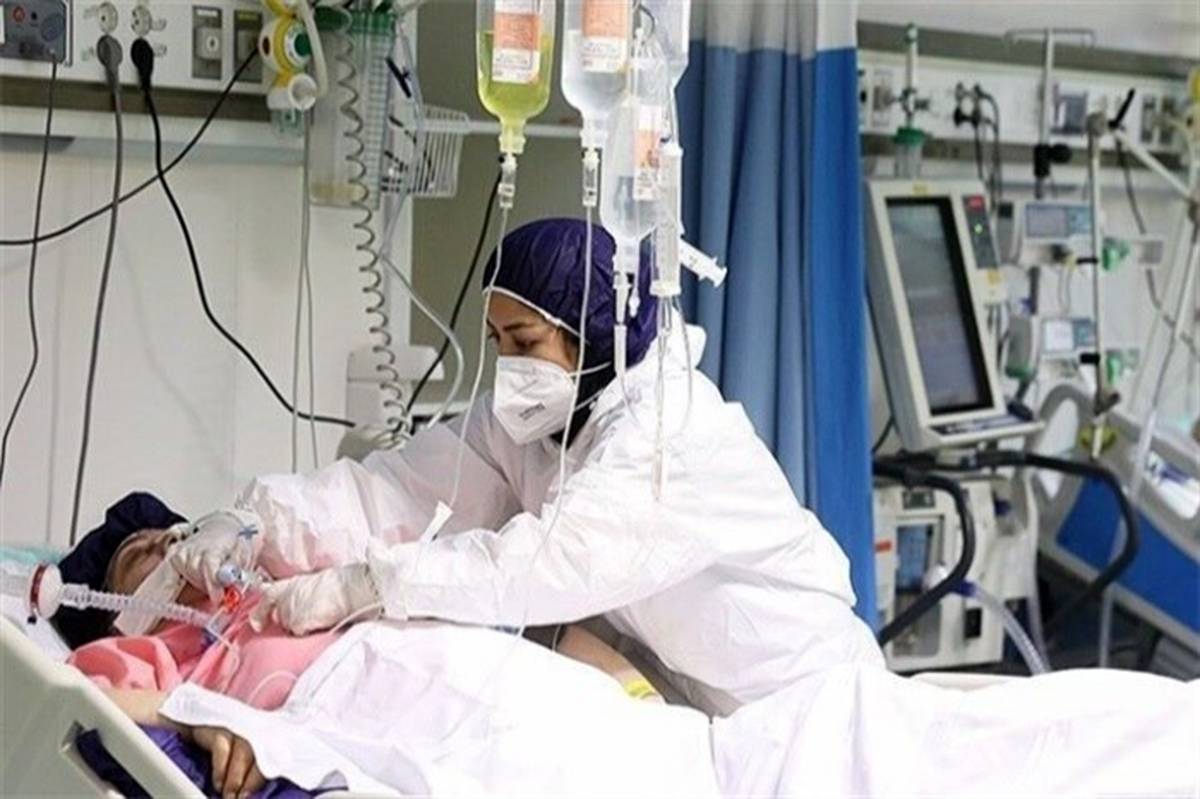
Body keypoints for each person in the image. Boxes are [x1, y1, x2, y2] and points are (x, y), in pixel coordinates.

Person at [169, 217, 883, 715]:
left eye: (526, 340)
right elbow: (394, 491)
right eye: (496, 340)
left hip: (805, 705)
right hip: (702, 710)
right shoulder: (536, 418)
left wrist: (368, 584)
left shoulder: (670, 435)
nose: (508, 365)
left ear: (594, 335)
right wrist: (254, 519)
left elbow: (540, 566)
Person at [52, 493, 668, 798]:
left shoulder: (286, 577)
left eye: (176, 533)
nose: (169, 545)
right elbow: (81, 696)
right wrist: (195, 717)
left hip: (442, 662)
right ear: (114, 609)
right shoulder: (146, 652)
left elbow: (515, 617)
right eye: (140, 554)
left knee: (621, 752)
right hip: (348, 715)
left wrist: (638, 689)